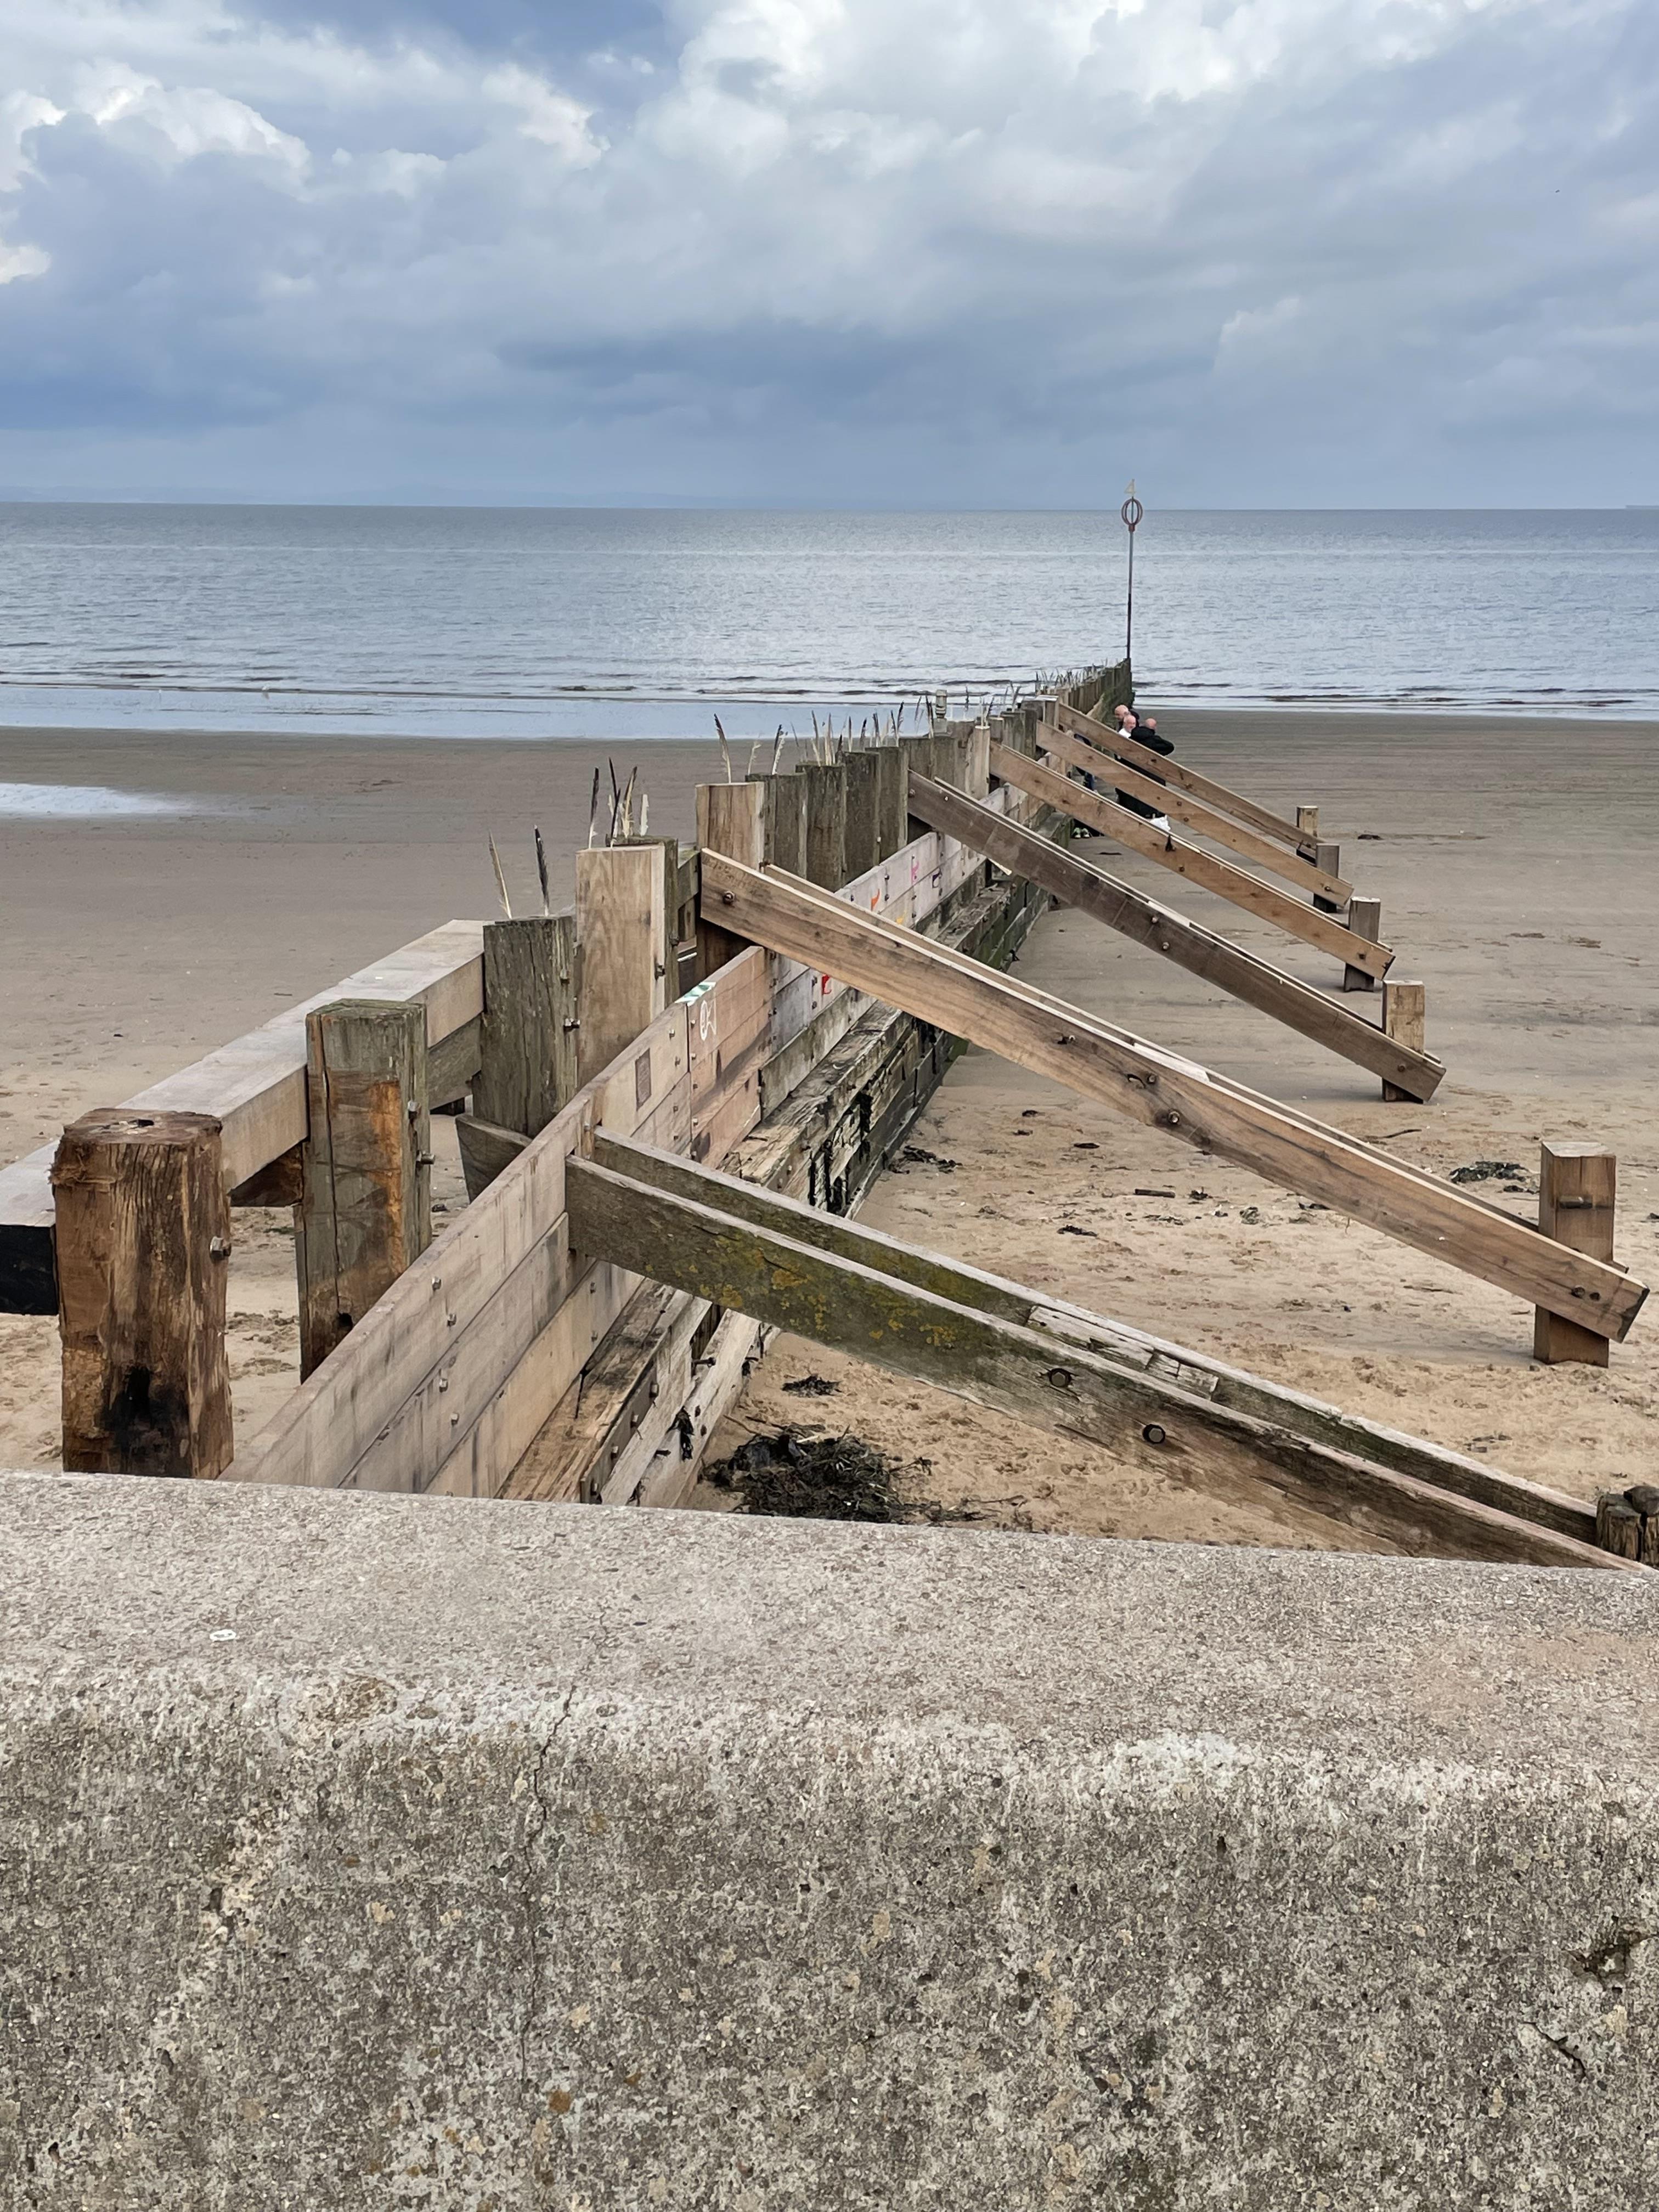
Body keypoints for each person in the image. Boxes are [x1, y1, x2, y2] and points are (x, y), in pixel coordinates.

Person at [1109, 702, 1173, 832]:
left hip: (1132, 773)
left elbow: (1121, 755)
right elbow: (1169, 747)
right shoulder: (1153, 740)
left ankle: (1134, 818)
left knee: (1131, 797)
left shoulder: (1130, 740)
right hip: (1154, 774)